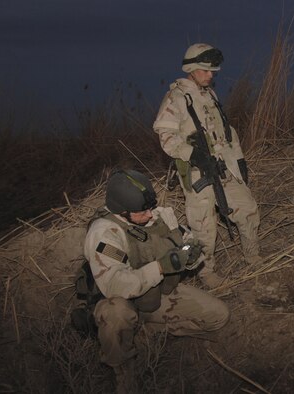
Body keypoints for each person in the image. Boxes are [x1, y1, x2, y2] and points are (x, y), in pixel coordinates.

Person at [83, 169, 230, 393]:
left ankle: (150, 331)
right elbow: (115, 286)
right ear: (122, 212)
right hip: (121, 303)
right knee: (116, 314)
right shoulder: (104, 232)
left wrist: (191, 254)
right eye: (142, 212)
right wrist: (162, 266)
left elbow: (187, 240)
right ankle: (123, 371)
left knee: (218, 317)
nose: (150, 215)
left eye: (150, 208)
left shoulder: (157, 215)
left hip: (156, 297)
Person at [153, 43, 261, 287]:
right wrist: (193, 154)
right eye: (206, 71)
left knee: (248, 209)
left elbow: (226, 130)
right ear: (191, 69)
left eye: (213, 71)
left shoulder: (209, 95)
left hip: (225, 166)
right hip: (197, 170)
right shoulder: (176, 97)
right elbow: (166, 138)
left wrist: (240, 159)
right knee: (203, 226)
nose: (211, 75)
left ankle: (252, 255)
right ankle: (206, 271)